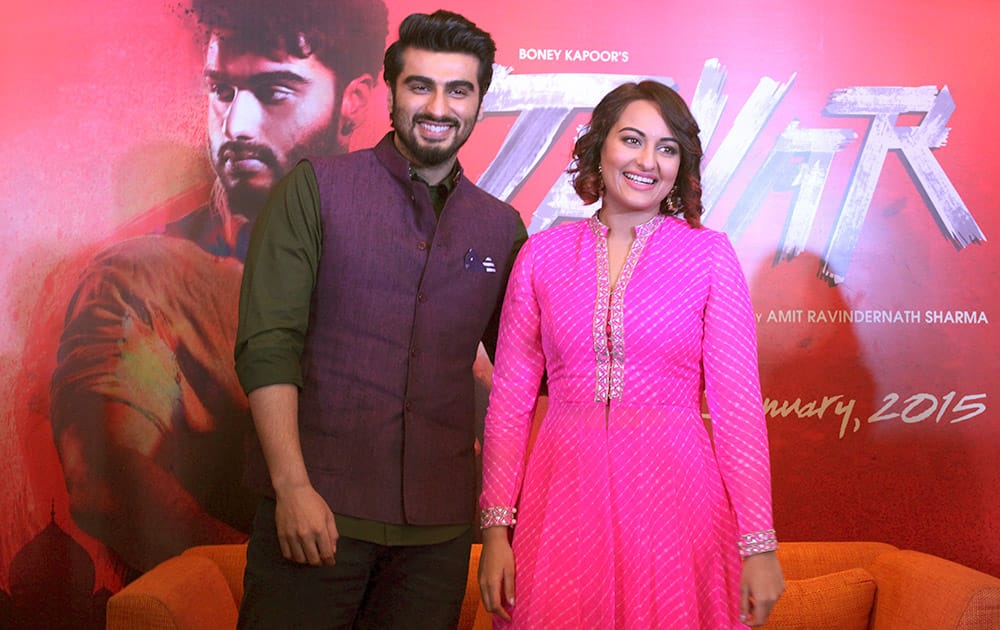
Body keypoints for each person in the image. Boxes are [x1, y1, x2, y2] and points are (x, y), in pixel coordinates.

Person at [49, 0, 387, 575]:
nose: (238, 127)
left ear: (353, 98)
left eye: (276, 92)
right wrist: (279, 588)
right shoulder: (147, 280)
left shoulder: (402, 258)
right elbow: (105, 479)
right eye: (223, 91)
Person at [234, 10, 527, 629]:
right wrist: (291, 488)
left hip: (438, 538)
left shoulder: (501, 228)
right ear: (390, 90)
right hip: (317, 516)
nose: (438, 106)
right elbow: (267, 347)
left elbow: (528, 375)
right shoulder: (315, 190)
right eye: (420, 85)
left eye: (459, 89)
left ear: (479, 101)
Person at [478, 81, 785, 628]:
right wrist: (496, 529)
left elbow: (737, 406)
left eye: (667, 148)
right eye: (632, 140)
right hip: (562, 500)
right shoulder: (542, 256)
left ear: (680, 165)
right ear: (599, 146)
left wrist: (758, 544)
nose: (648, 161)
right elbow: (509, 402)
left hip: (676, 500)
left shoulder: (708, 256)